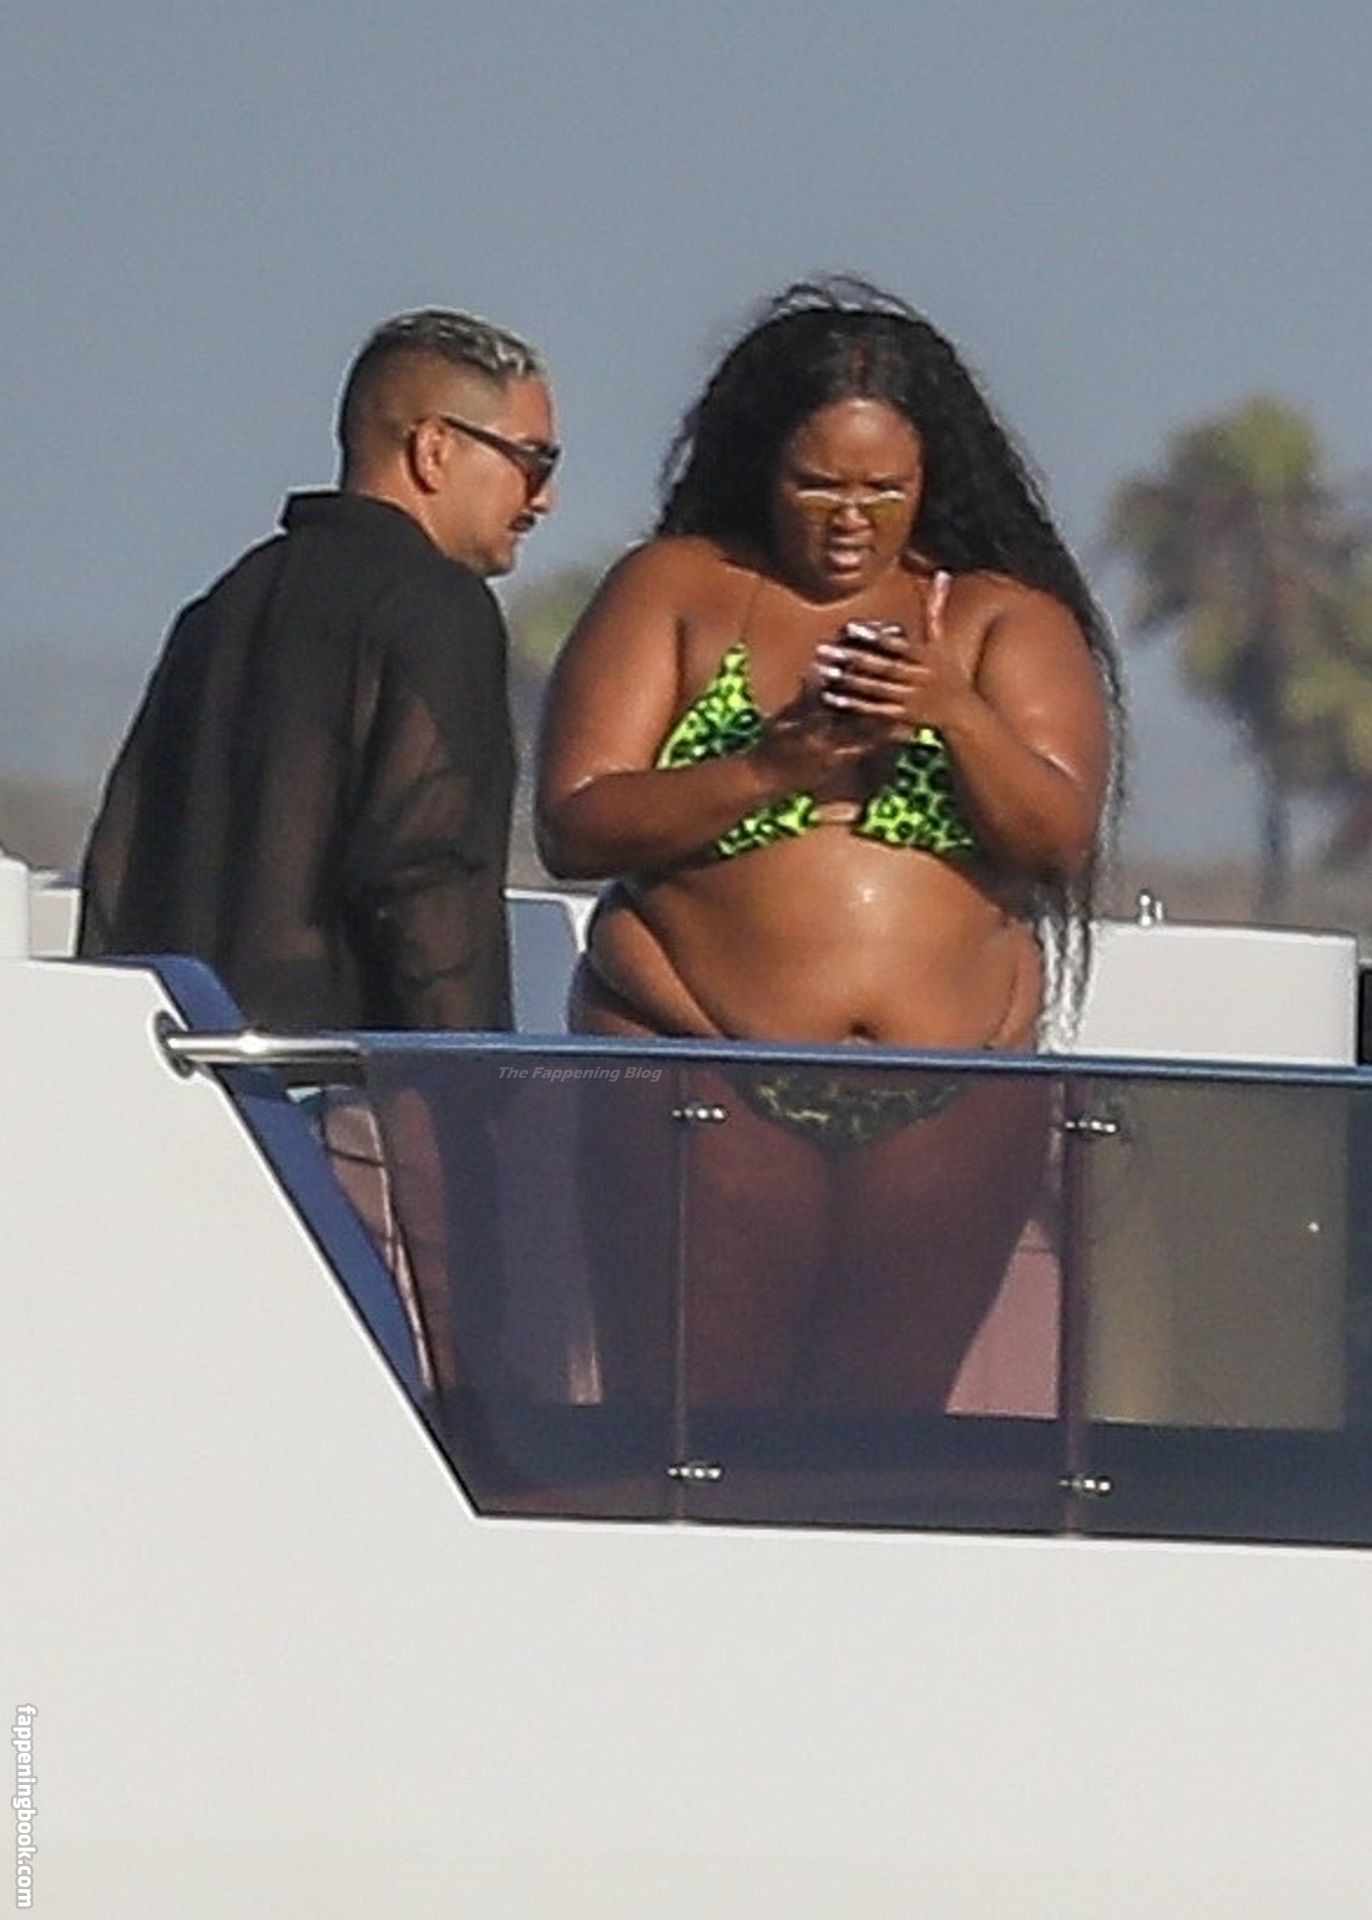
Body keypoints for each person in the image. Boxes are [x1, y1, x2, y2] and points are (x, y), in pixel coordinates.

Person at [535, 276, 1118, 1417]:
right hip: (697, 1061)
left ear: (929, 480)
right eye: (817, 485)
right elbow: (577, 821)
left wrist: (952, 712)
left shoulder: (999, 617)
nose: (850, 519)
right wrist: (771, 767)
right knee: (692, 1421)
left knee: (880, 1439)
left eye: (883, 490)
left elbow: (1056, 840)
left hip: (947, 1093)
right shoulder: (679, 587)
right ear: (764, 468)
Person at [79, 305, 558, 1032]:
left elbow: (121, 862)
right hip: (339, 1076)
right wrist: (471, 1081)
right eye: (533, 461)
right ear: (434, 449)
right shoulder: (436, 607)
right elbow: (427, 873)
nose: (543, 499)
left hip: (179, 1067)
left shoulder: (225, 606)